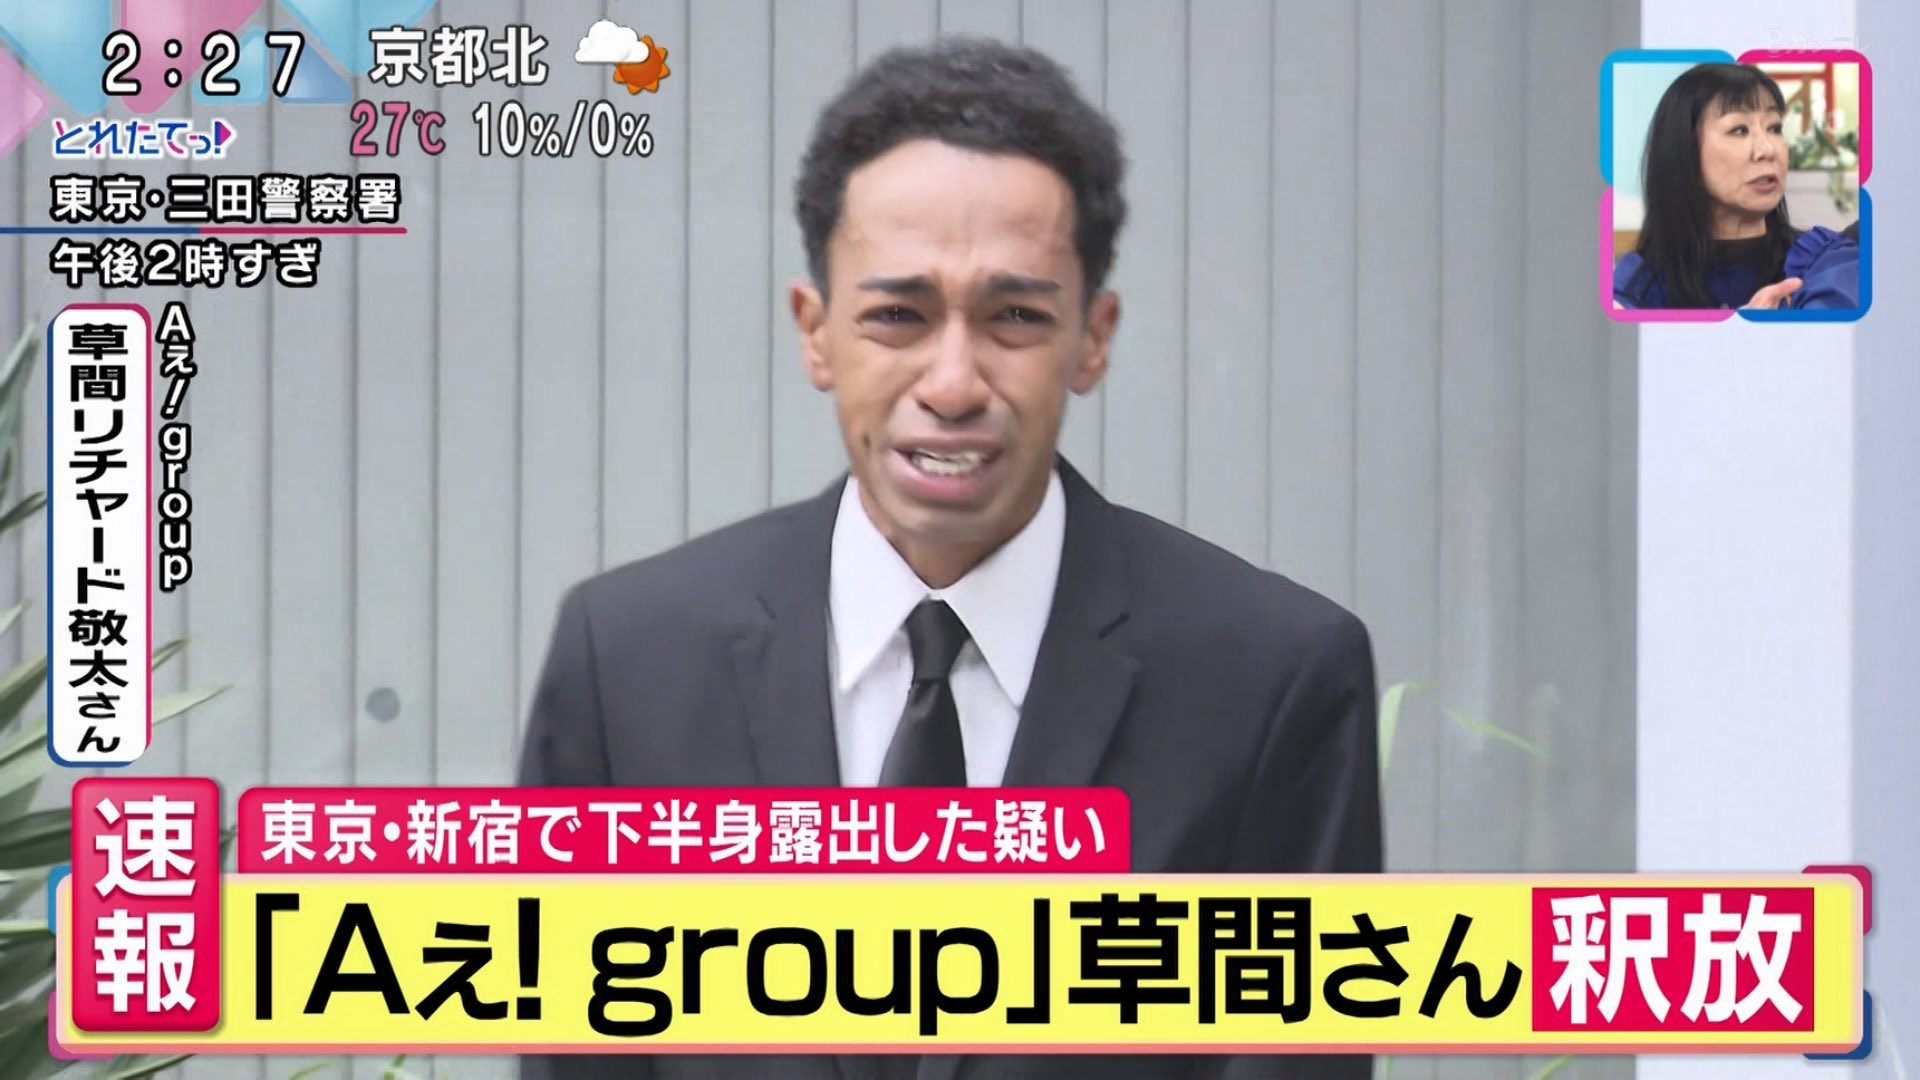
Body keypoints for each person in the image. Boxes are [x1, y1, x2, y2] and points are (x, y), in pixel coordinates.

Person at [518, 36, 1381, 1080]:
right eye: (899, 315)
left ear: (1093, 337)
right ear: (815, 331)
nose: (954, 382)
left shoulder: (1272, 679)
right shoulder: (629, 662)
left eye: (1015, 316)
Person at [1613, 62, 1860, 310]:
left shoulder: (1825, 259)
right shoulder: (1635, 286)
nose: (1768, 149)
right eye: (1740, 130)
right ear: (1684, 151)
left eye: (1774, 128)